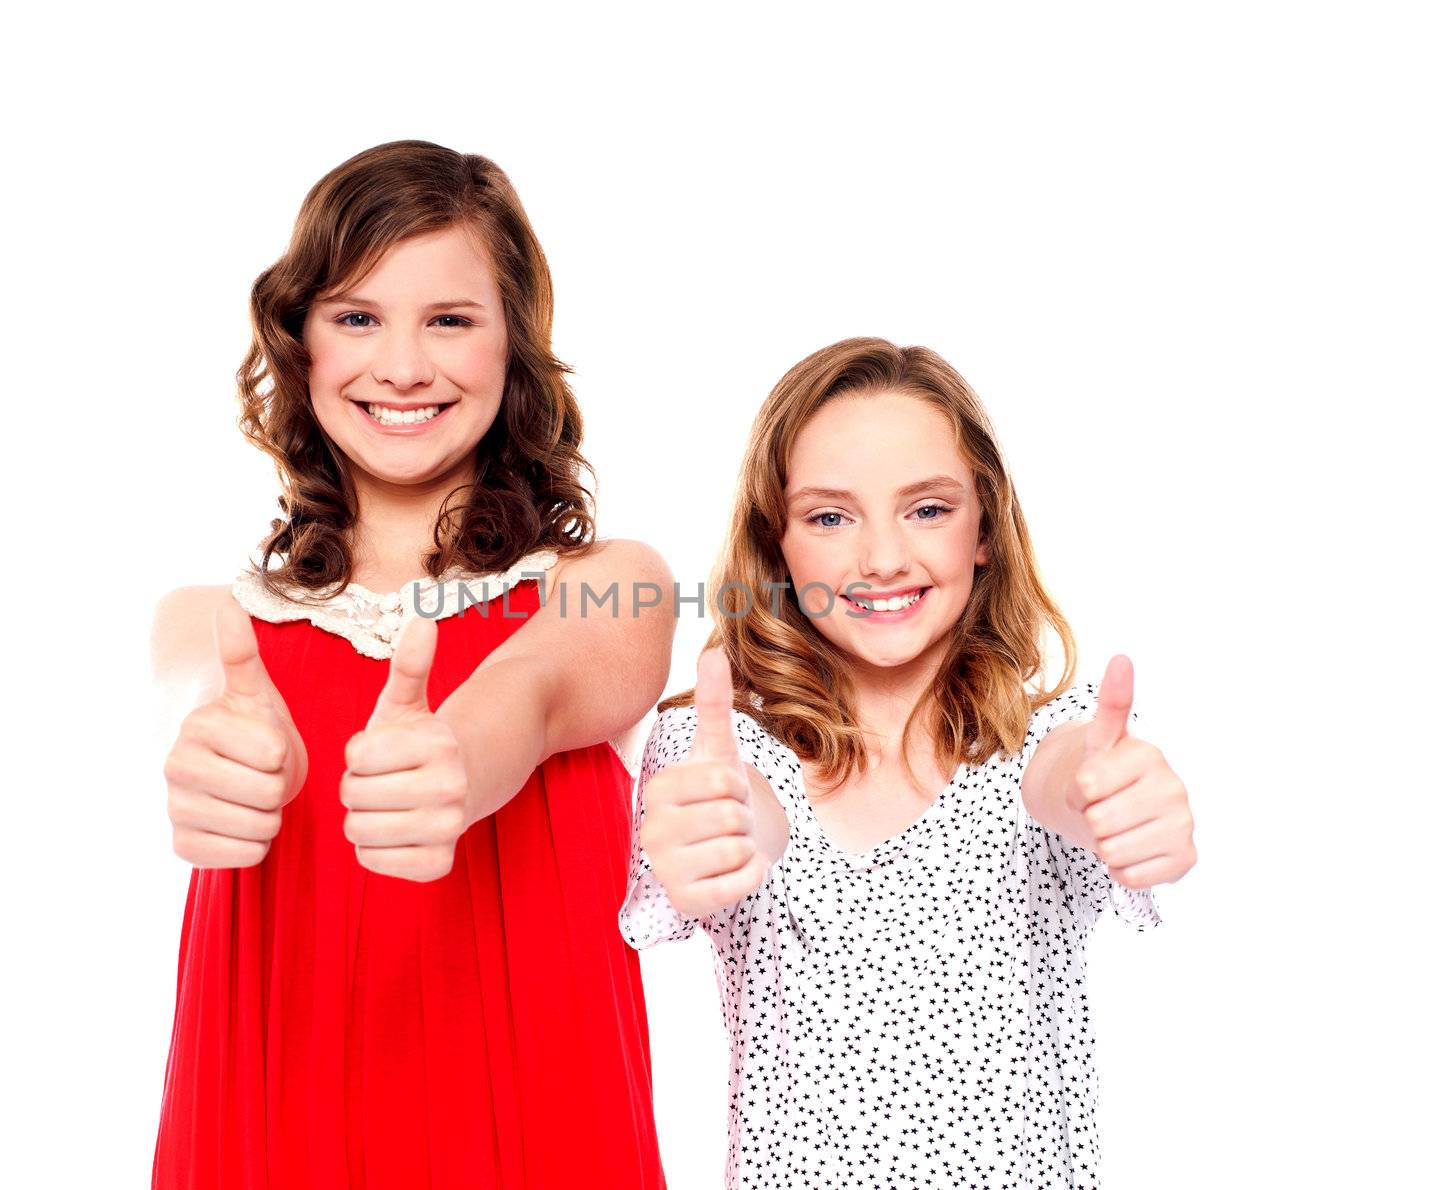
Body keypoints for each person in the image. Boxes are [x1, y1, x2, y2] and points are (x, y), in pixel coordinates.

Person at [151, 141, 673, 1189]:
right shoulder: (208, 623)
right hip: (269, 1137)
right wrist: (227, 760)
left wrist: (458, 757)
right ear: (299, 342)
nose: (399, 367)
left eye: (449, 319)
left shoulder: (613, 583)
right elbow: (200, 706)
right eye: (356, 317)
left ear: (513, 348)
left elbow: (538, 686)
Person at [620, 339, 1197, 1189]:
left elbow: (1065, 777)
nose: (883, 559)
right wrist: (724, 821)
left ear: (985, 532)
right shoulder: (717, 750)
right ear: (776, 550)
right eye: (829, 517)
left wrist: (1108, 795)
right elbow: (751, 814)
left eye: (926, 509)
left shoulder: (1051, 744)